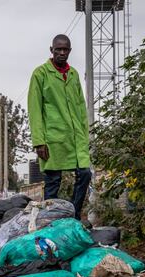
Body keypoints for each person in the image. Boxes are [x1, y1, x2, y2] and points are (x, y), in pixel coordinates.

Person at [27, 34, 92, 220]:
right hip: (52, 141)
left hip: (75, 139)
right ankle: (51, 221)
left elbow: (81, 107)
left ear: (70, 51)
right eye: (58, 49)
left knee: (85, 174)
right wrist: (39, 141)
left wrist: (84, 136)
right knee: (53, 183)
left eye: (65, 49)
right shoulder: (40, 74)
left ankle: (73, 215)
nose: (62, 53)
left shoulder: (73, 74)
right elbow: (34, 110)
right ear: (52, 50)